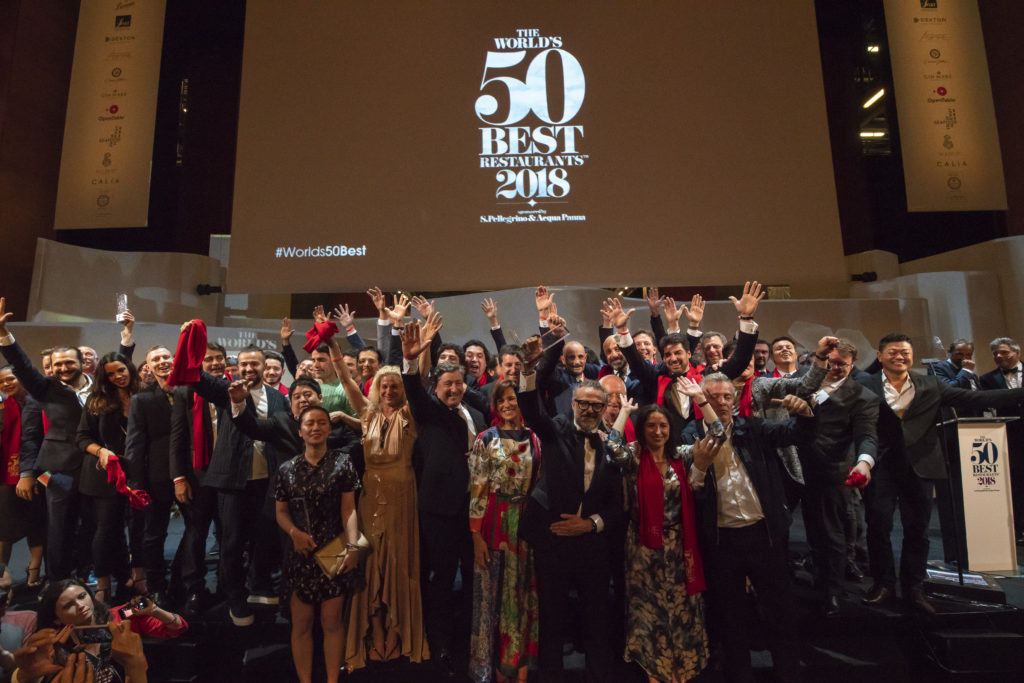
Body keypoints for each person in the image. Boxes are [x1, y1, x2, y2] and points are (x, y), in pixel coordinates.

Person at [859, 333, 1024, 615]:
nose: (900, 357)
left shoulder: (930, 383)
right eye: (893, 352)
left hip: (921, 465)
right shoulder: (865, 384)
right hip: (882, 466)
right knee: (878, 526)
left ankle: (914, 587)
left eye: (905, 352)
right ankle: (883, 584)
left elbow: (975, 397)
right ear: (880, 356)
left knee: (918, 530)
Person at [684, 374, 815, 682]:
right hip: (721, 539)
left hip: (763, 534)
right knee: (730, 618)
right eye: (713, 397)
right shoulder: (691, 434)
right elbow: (693, 490)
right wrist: (700, 465)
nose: (721, 402)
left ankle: (788, 675)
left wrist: (806, 413)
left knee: (780, 612)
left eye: (726, 397)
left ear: (734, 400)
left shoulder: (753, 427)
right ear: (701, 401)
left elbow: (796, 433)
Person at [517, 322, 623, 683]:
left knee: (597, 619)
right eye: (584, 403)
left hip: (593, 544)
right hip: (553, 540)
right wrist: (529, 370)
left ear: (606, 408)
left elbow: (617, 505)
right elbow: (531, 410)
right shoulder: (556, 428)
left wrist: (590, 524)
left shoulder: (613, 444)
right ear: (573, 403)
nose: (590, 409)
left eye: (597, 405)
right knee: (552, 619)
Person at [0, 298, 135, 582]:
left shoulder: (100, 387)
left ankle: (92, 577)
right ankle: (58, 584)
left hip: (95, 468)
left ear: (81, 364)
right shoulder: (45, 389)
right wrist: (4, 335)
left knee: (96, 527)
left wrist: (126, 337)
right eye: (58, 364)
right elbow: (22, 366)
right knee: (59, 530)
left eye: (68, 363)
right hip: (59, 471)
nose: (63, 368)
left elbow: (120, 365)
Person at [335, 328, 429, 670]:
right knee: (370, 562)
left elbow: (421, 380)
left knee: (398, 564)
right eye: (384, 386)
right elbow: (346, 381)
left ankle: (397, 631)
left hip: (403, 497)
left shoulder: (411, 415)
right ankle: (374, 629)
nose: (389, 391)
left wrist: (419, 351)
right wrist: (331, 344)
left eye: (395, 387)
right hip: (370, 497)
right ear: (376, 388)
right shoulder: (367, 414)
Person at [401, 319, 484, 677]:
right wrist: (410, 359)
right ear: (435, 388)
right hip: (439, 512)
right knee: (443, 580)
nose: (454, 388)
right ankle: (439, 646)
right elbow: (412, 389)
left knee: (473, 581)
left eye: (458, 383)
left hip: (474, 512)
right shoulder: (429, 411)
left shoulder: (476, 413)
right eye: (447, 384)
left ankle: (468, 643)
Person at [607, 401, 709, 683]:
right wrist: (624, 412)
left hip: (679, 545)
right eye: (651, 425)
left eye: (663, 425)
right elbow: (611, 447)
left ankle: (681, 670)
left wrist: (701, 400)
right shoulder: (634, 456)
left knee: (682, 606)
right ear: (642, 429)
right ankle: (654, 671)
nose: (657, 431)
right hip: (643, 547)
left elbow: (718, 434)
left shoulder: (681, 455)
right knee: (649, 609)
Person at [275, 406, 363, 683]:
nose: (316, 428)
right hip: (300, 552)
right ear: (300, 431)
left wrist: (353, 547)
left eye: (322, 422)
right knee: (301, 624)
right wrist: (294, 533)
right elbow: (280, 512)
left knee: (332, 622)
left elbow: (349, 510)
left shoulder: (343, 463)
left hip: (335, 549)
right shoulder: (286, 469)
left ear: (329, 428)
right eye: (310, 423)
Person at [797, 340, 879, 617]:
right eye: (830, 362)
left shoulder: (862, 397)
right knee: (811, 529)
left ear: (852, 365)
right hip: (795, 466)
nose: (834, 367)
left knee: (832, 534)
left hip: (831, 471)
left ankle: (832, 590)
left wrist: (864, 463)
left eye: (841, 364)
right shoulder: (804, 379)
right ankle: (817, 578)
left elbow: (867, 436)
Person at [467, 379, 541, 683]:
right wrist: (476, 536)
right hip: (494, 523)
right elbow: (477, 489)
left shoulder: (535, 439)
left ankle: (520, 669)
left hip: (526, 525)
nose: (508, 404)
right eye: (502, 400)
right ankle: (495, 670)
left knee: (522, 596)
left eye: (513, 398)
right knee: (495, 598)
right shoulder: (486, 439)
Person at [15, 579, 185, 682]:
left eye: (82, 596)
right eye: (68, 605)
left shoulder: (119, 616)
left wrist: (155, 610)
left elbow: (178, 628)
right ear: (56, 618)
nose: (80, 606)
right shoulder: (56, 642)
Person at [76, 352, 141, 604]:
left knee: (138, 528)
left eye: (121, 370)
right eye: (110, 374)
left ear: (130, 369)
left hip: (138, 472)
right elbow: (82, 437)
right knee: (106, 529)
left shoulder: (145, 394)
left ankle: (134, 576)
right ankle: (103, 584)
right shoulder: (97, 400)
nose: (117, 377)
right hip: (104, 474)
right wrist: (101, 451)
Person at [123, 346, 177, 605]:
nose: (162, 361)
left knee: (197, 530)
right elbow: (134, 443)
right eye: (156, 359)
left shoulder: (191, 392)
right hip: (156, 476)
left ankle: (182, 578)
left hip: (193, 474)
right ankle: (156, 586)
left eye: (166, 357)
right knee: (155, 534)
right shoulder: (141, 400)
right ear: (149, 366)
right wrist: (135, 482)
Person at [0, 367, 44, 586]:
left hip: (43, 469)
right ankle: (2, 575)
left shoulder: (40, 401)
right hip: (8, 472)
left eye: (10, 379)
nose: (6, 384)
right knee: (5, 524)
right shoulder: (3, 406)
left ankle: (34, 570)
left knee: (37, 520)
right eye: (1, 382)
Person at [979, 337, 1024, 542]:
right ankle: (1018, 529)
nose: (999, 356)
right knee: (1015, 482)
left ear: (1017, 352)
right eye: (995, 353)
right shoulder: (987, 379)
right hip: (1009, 436)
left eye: (1004, 352)